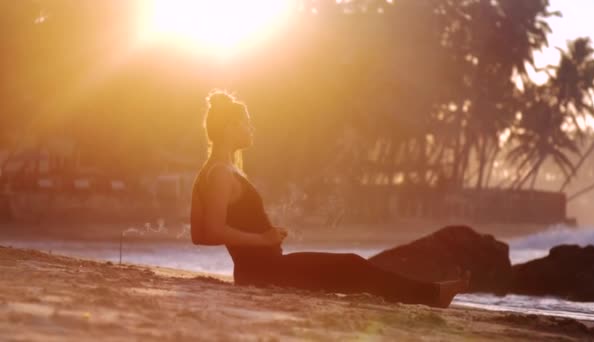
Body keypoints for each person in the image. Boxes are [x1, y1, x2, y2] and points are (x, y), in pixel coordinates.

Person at [190, 90, 469, 308]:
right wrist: (263, 239)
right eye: (246, 123)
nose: (252, 128)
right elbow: (211, 232)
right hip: (266, 273)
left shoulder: (210, 173)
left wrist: (266, 237)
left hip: (265, 270)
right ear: (229, 127)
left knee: (350, 271)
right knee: (352, 265)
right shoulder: (221, 175)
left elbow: (198, 236)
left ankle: (432, 293)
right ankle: (434, 295)